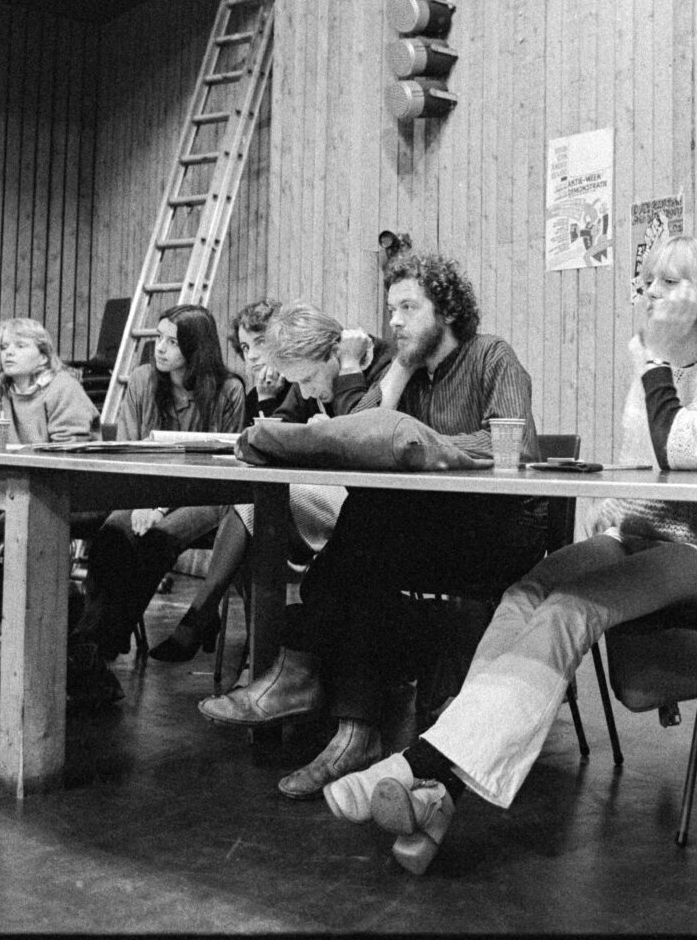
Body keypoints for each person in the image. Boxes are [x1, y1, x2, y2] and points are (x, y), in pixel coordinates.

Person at [320, 235, 697, 874]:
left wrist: (654, 367)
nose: (650, 294)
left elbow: (687, 450)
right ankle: (439, 796)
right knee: (526, 592)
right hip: (635, 535)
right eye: (648, 281)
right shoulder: (654, 361)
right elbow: (644, 462)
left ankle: (419, 764)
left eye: (669, 283)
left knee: (570, 608)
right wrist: (614, 503)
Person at [226, 252, 550, 802]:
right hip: (433, 532)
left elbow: (509, 446)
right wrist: (398, 373)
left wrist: (424, 447)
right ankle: (352, 730)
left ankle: (307, 679)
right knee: (371, 542)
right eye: (391, 308)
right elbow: (361, 437)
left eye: (408, 307)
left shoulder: (492, 356)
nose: (394, 320)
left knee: (368, 537)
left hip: (503, 532)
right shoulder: (411, 374)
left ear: (446, 310)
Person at [153, 303, 391, 664]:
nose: (307, 393)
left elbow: (362, 435)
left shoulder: (379, 365)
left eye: (310, 381)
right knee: (256, 511)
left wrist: (348, 377)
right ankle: (258, 657)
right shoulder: (305, 374)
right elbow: (273, 430)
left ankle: (237, 640)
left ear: (333, 355)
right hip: (317, 491)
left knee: (254, 510)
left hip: (368, 503)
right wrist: (300, 432)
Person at [65, 303, 247, 706]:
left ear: (196, 348)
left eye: (171, 341)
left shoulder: (229, 389)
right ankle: (94, 647)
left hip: (205, 494)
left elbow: (223, 468)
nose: (159, 348)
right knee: (112, 535)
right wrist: (145, 501)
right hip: (143, 489)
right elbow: (129, 450)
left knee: (155, 540)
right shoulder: (144, 379)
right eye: (158, 338)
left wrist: (160, 508)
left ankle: (91, 647)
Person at [145, 299, 288, 661]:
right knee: (246, 526)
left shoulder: (298, 386)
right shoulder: (254, 393)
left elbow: (277, 453)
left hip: (284, 501)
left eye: (260, 344)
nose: (252, 356)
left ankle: (207, 620)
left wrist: (271, 400)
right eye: (244, 348)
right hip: (253, 503)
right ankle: (256, 656)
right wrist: (266, 399)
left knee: (247, 521)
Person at [0, 317, 98, 445]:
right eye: (3, 347)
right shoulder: (1, 389)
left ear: (43, 358)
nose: (9, 352)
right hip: (16, 471)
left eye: (20, 346)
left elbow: (68, 453)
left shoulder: (63, 387)